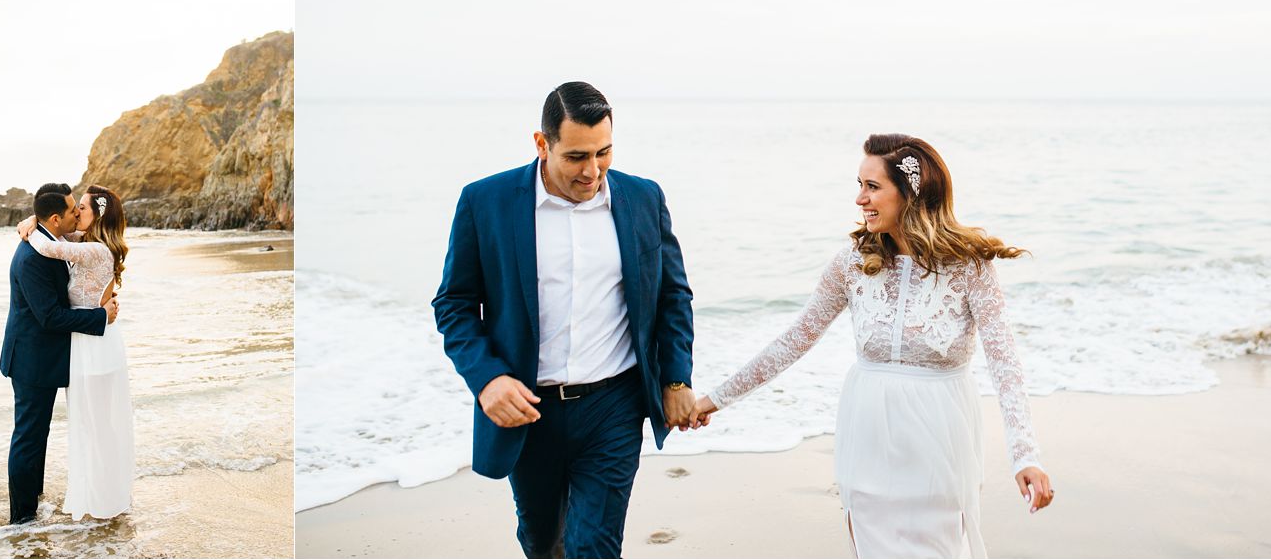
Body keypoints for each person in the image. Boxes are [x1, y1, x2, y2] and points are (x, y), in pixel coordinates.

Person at [696, 134, 1054, 558]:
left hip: (940, 436)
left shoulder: (970, 268)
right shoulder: (850, 263)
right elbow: (795, 339)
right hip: (866, 434)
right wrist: (715, 399)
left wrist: (1025, 456)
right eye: (859, 184)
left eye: (872, 186)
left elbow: (1005, 363)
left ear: (911, 194)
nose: (859, 198)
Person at [433, 82, 699, 558]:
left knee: (593, 548)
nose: (592, 170)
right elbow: (453, 305)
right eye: (577, 156)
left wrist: (676, 379)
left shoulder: (643, 198)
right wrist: (488, 379)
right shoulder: (485, 202)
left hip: (614, 406)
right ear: (542, 143)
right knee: (541, 541)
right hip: (530, 410)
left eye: (604, 152)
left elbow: (673, 295)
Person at [0, 183, 120, 525]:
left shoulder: (58, 241)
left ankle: (32, 504)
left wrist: (31, 222)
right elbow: (49, 317)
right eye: (71, 210)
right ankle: (21, 520)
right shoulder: (32, 258)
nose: (76, 213)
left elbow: (49, 227)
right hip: (31, 360)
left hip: (47, 357)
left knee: (37, 436)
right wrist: (100, 317)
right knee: (28, 438)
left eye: (80, 208)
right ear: (56, 218)